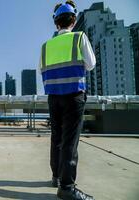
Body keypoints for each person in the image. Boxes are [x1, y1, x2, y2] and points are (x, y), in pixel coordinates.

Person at [39, 1, 96, 200]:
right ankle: (67, 188)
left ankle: (56, 176)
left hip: (53, 97)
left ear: (56, 23)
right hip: (73, 96)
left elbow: (42, 70)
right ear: (73, 20)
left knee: (56, 138)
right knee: (70, 142)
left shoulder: (46, 46)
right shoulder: (79, 37)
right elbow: (90, 65)